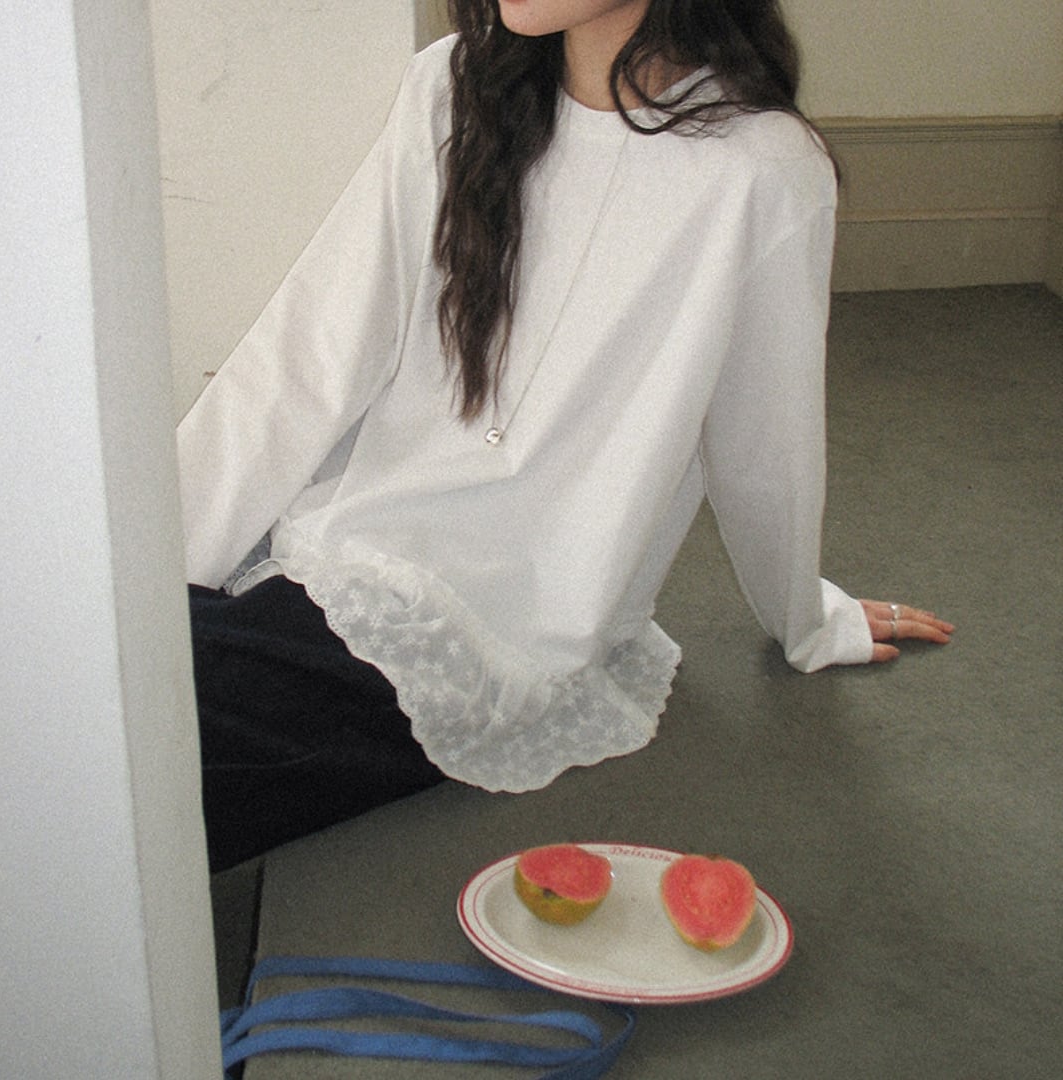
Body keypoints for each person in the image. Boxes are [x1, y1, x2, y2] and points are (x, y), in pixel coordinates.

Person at [180, 0, 953, 871]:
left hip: (496, 635)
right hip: (339, 556)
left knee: (144, 761)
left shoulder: (761, 169)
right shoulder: (454, 86)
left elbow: (765, 448)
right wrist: (151, 572)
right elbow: (311, 356)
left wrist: (803, 618)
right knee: (105, 692)